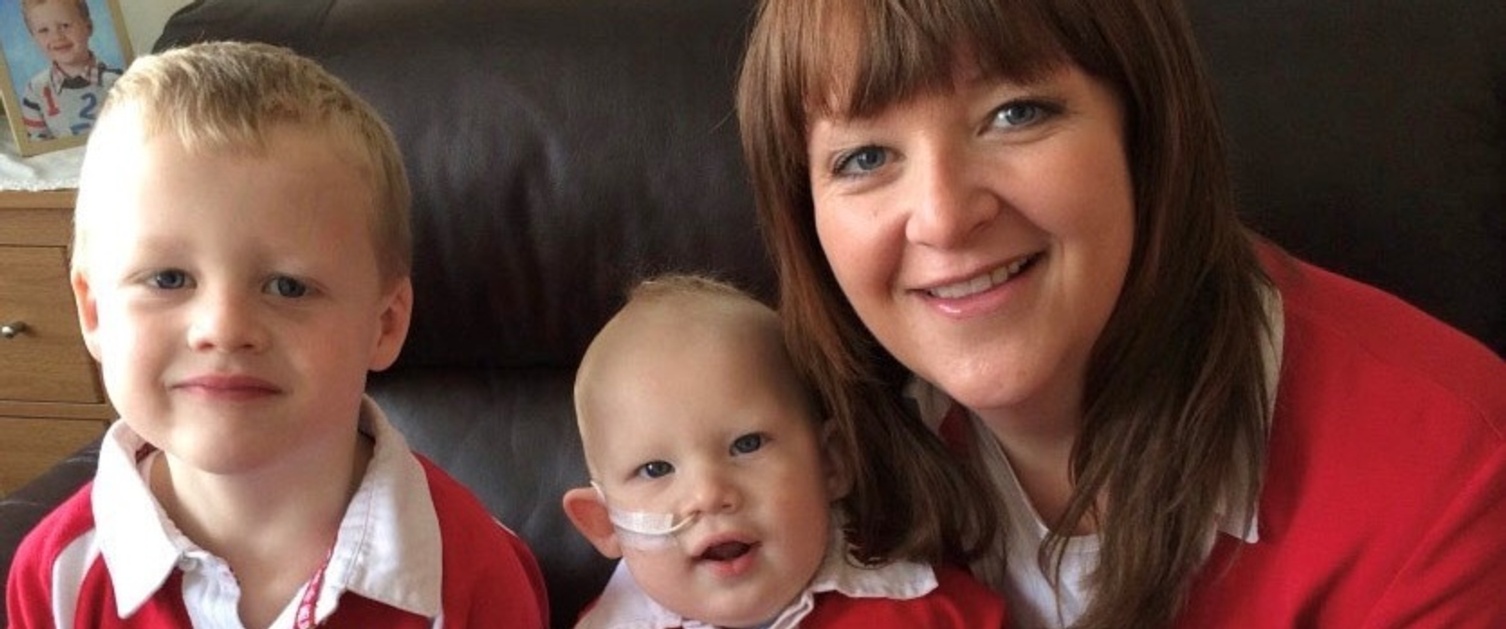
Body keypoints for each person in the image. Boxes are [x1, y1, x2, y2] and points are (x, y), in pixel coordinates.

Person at [735, 0, 1506, 628]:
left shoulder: (1458, 480)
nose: (941, 217)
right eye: (864, 158)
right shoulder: (762, 458)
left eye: (1016, 113)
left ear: (1147, 132)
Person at [4, 41, 548, 628]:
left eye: (287, 287)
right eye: (168, 278)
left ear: (384, 324)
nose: (223, 328)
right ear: (94, 314)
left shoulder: (474, 571)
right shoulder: (56, 574)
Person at [561, 274, 1007, 628]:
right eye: (656, 469)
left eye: (747, 444)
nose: (709, 494)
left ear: (831, 462)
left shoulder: (928, 613)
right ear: (604, 524)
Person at [16, 0, 121, 140]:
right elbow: (37, 142)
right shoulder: (35, 91)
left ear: (88, 27)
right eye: (44, 30)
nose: (57, 37)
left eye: (65, 25)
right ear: (34, 38)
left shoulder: (120, 81)